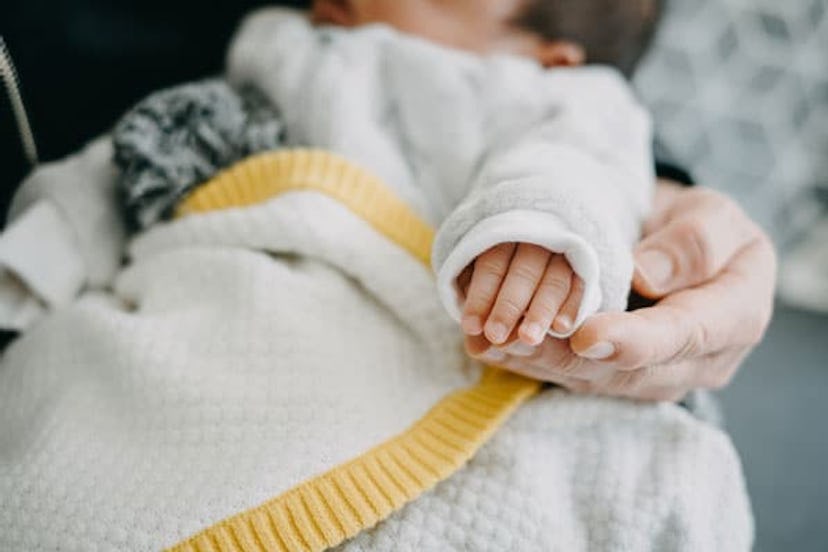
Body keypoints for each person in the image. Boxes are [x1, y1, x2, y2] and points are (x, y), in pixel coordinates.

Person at [0, 1, 764, 549]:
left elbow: (581, 162)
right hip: (245, 289)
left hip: (438, 333)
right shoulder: (272, 55)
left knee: (620, 475)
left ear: (549, 55)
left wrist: (540, 229)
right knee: (69, 390)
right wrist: (43, 252)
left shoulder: (555, 99)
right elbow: (135, 156)